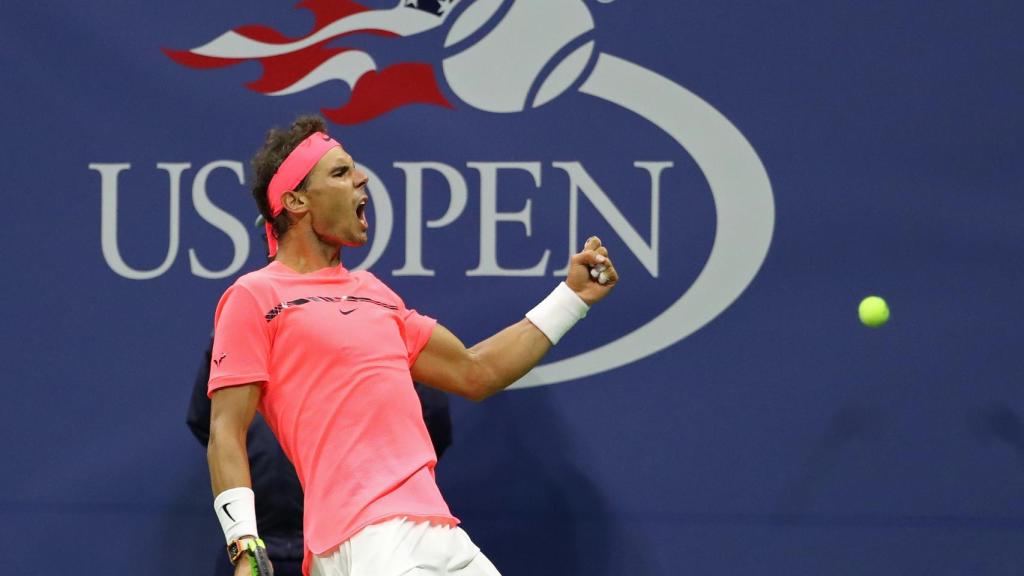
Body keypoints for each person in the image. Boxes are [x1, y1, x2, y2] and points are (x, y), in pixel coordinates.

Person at [206, 115, 619, 576]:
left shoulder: (375, 292)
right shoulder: (254, 296)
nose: (361, 177)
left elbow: (475, 371)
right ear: (296, 200)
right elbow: (226, 429)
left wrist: (572, 298)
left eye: (354, 169)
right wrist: (244, 545)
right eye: (340, 173)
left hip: (437, 527)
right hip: (363, 539)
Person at [188, 338, 453, 576]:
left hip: (347, 542)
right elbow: (213, 427)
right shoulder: (242, 326)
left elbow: (434, 418)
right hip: (258, 547)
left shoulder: (377, 321)